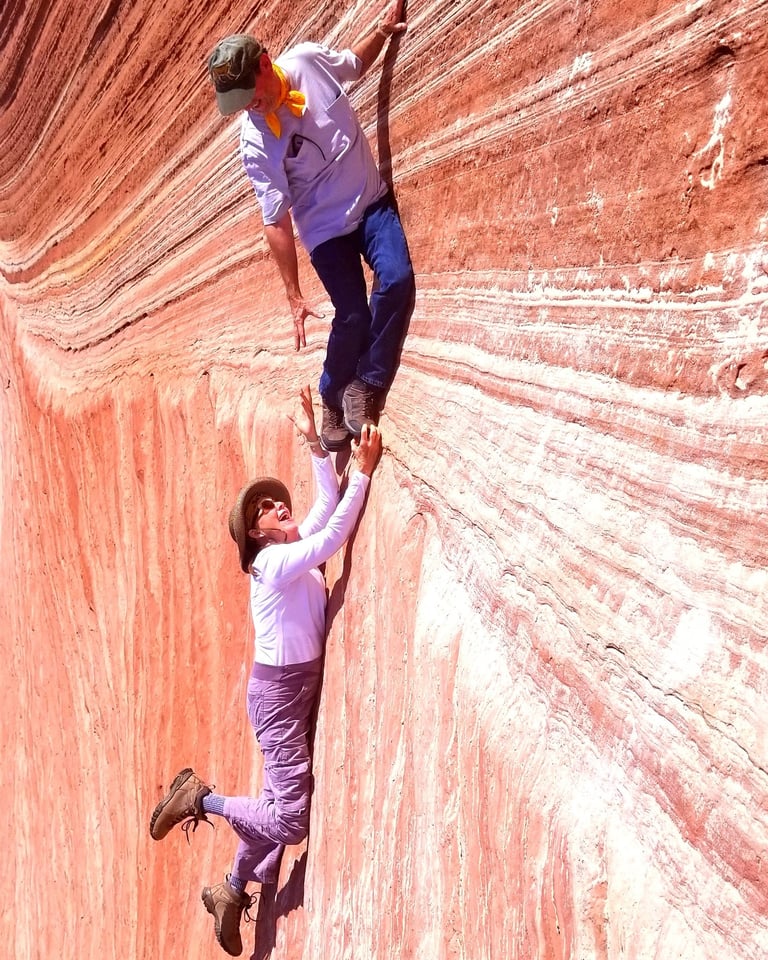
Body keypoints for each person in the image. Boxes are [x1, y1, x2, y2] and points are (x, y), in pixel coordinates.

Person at [149, 386, 382, 956]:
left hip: (287, 692)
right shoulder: (273, 562)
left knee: (273, 813)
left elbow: (324, 511)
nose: (279, 506)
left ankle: (230, 891)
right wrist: (363, 472)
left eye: (276, 502)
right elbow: (334, 534)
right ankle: (200, 798)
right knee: (291, 821)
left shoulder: (285, 546)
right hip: (279, 698)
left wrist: (315, 444)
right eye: (266, 509)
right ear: (256, 533)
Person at [207, 1, 415, 452]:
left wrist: (382, 32)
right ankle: (331, 396)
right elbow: (275, 219)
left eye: (250, 96)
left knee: (397, 280)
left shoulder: (306, 61)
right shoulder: (255, 141)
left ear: (265, 65)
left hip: (371, 203)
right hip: (325, 231)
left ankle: (365, 384)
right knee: (352, 315)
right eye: (240, 105)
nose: (249, 109)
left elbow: (354, 63)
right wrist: (293, 294)